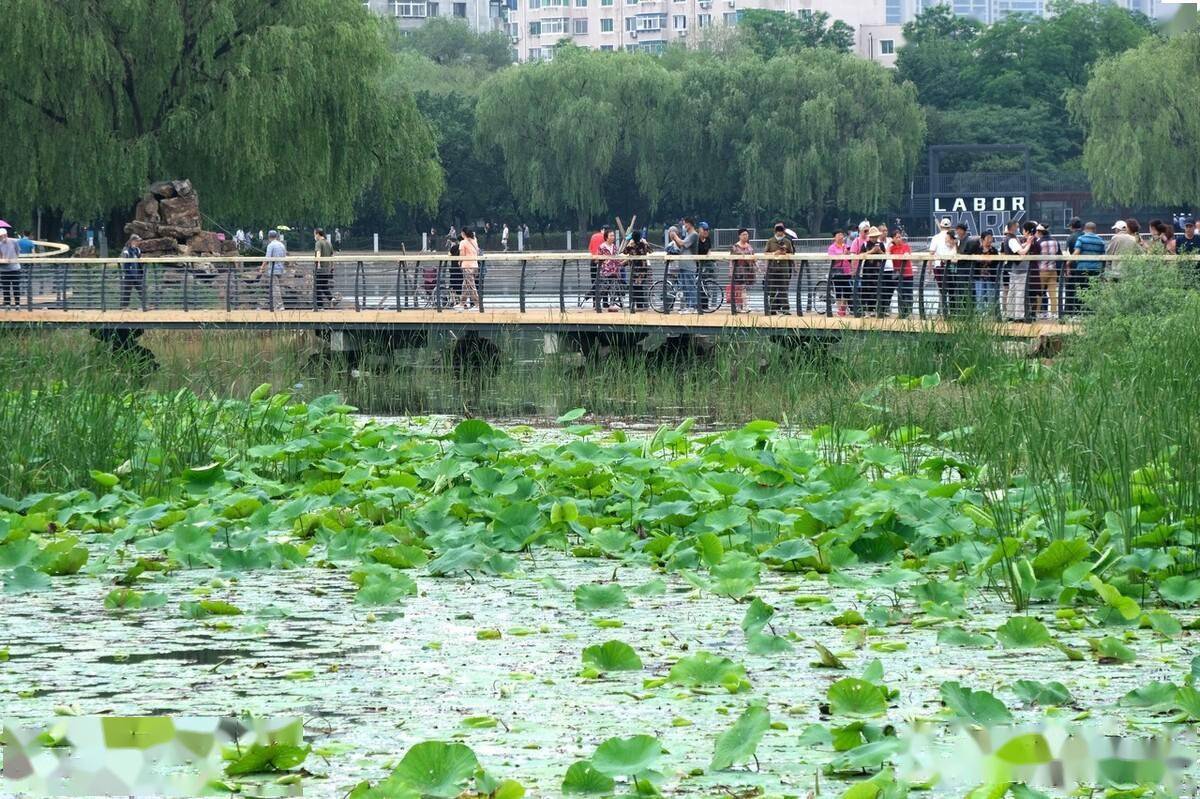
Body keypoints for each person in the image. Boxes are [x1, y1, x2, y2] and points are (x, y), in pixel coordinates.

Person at [1068, 221, 1106, 314]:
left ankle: (1080, 312)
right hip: (1096, 269)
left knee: (1080, 290)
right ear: (1095, 229)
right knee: (1093, 291)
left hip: (1082, 269)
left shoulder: (1081, 239)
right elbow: (1103, 257)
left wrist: (1068, 262)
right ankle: (1092, 312)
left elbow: (1076, 252)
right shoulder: (1100, 240)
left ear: (1085, 228)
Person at [669, 218, 700, 314]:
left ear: (690, 224)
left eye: (685, 224)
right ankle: (688, 306)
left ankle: (693, 306)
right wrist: (674, 238)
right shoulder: (688, 235)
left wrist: (675, 236)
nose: (684, 226)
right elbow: (680, 246)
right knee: (685, 287)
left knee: (690, 286)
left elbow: (683, 244)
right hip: (683, 265)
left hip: (689, 265)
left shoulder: (694, 235)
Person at [763, 223, 794, 315]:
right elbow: (765, 253)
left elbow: (792, 254)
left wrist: (785, 253)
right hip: (772, 267)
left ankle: (785, 308)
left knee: (784, 289)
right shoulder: (770, 241)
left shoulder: (787, 241)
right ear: (775, 231)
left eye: (781, 230)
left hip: (784, 268)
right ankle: (772, 308)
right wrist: (774, 253)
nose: (780, 233)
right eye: (778, 230)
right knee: (772, 289)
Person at [929, 218, 958, 316]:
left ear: (941, 226)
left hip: (939, 266)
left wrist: (929, 267)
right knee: (952, 290)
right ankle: (952, 312)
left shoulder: (936, 237)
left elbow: (931, 253)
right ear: (949, 227)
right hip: (951, 267)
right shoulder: (954, 237)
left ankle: (942, 312)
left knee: (942, 290)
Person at [858, 226, 886, 317]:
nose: (874, 238)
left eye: (875, 236)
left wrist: (879, 251)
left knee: (875, 290)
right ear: (869, 237)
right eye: (872, 237)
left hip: (877, 271)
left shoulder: (881, 244)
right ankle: (865, 311)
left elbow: (886, 255)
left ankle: (873, 309)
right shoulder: (865, 244)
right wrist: (872, 251)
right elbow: (861, 255)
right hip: (867, 271)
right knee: (866, 290)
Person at [1036, 224, 1061, 319]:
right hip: (1053, 270)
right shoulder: (1055, 241)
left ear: (1039, 232)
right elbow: (1059, 254)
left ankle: (1037, 313)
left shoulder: (1039, 242)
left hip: (1042, 271)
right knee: (1053, 293)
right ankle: (1054, 314)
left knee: (1039, 293)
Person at [888, 228, 914, 318]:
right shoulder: (891, 248)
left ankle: (909, 312)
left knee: (909, 293)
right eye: (896, 237)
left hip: (908, 273)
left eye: (900, 237)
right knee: (900, 293)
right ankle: (902, 313)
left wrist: (905, 255)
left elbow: (907, 254)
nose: (899, 238)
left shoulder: (905, 246)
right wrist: (889, 243)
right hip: (897, 274)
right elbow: (887, 254)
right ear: (893, 238)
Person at [729, 228, 757, 312]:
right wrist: (730, 270)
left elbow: (754, 257)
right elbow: (731, 260)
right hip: (738, 270)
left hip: (748, 270)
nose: (746, 236)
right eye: (743, 234)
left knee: (743, 288)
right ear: (739, 236)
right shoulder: (735, 247)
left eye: (747, 234)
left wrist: (758, 268)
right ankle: (743, 306)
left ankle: (742, 306)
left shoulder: (750, 247)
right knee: (740, 288)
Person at [826, 229, 853, 317]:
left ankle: (843, 308)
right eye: (839, 235)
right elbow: (833, 259)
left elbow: (850, 258)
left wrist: (848, 254)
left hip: (846, 271)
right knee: (838, 290)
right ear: (834, 237)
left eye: (842, 235)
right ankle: (839, 309)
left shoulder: (846, 246)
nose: (841, 237)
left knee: (847, 290)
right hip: (837, 272)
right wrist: (843, 254)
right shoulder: (832, 248)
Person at [258, 230, 287, 310]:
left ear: (269, 236)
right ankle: (276, 305)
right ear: (276, 236)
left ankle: (279, 306)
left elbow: (267, 258)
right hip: (281, 269)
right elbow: (285, 256)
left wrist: (262, 267)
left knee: (275, 288)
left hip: (274, 270)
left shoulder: (271, 245)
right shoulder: (281, 245)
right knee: (277, 287)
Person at [623, 230, 652, 311]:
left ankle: (635, 304)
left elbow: (624, 252)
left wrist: (629, 243)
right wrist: (646, 242)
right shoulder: (643, 245)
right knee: (639, 287)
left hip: (634, 270)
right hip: (643, 270)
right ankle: (640, 305)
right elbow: (651, 251)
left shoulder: (631, 246)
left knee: (636, 287)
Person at [456, 228, 480, 311]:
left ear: (463, 233)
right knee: (465, 285)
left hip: (467, 266)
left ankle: (477, 304)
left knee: (471, 285)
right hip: (475, 265)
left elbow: (462, 255)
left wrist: (459, 262)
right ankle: (462, 304)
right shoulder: (474, 240)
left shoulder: (463, 242)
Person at [118, 234, 144, 309]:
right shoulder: (126, 250)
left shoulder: (137, 250)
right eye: (137, 241)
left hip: (137, 274)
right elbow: (122, 260)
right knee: (127, 291)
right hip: (128, 275)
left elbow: (139, 260)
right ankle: (124, 307)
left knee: (142, 290)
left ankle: (144, 305)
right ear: (133, 241)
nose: (139, 242)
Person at [586, 225, 609, 308]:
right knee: (605, 282)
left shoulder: (594, 236)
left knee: (594, 282)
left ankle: (595, 303)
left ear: (601, 229)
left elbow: (591, 249)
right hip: (603, 263)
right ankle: (605, 303)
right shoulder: (607, 238)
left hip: (593, 261)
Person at [314, 228, 335, 309]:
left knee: (317, 287)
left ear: (318, 234)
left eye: (314, 234)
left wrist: (318, 264)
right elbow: (332, 255)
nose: (314, 236)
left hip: (320, 269)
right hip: (327, 269)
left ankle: (320, 306)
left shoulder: (318, 243)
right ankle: (331, 299)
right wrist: (332, 266)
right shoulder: (328, 243)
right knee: (324, 286)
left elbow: (318, 253)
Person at [0, 228, 21, 307]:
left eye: (4, 236)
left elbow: (18, 252)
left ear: (7, 235)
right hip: (4, 269)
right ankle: (8, 304)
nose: (3, 237)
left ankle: (17, 304)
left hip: (14, 268)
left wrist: (12, 258)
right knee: (6, 288)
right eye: (1, 236)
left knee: (16, 287)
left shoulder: (14, 242)